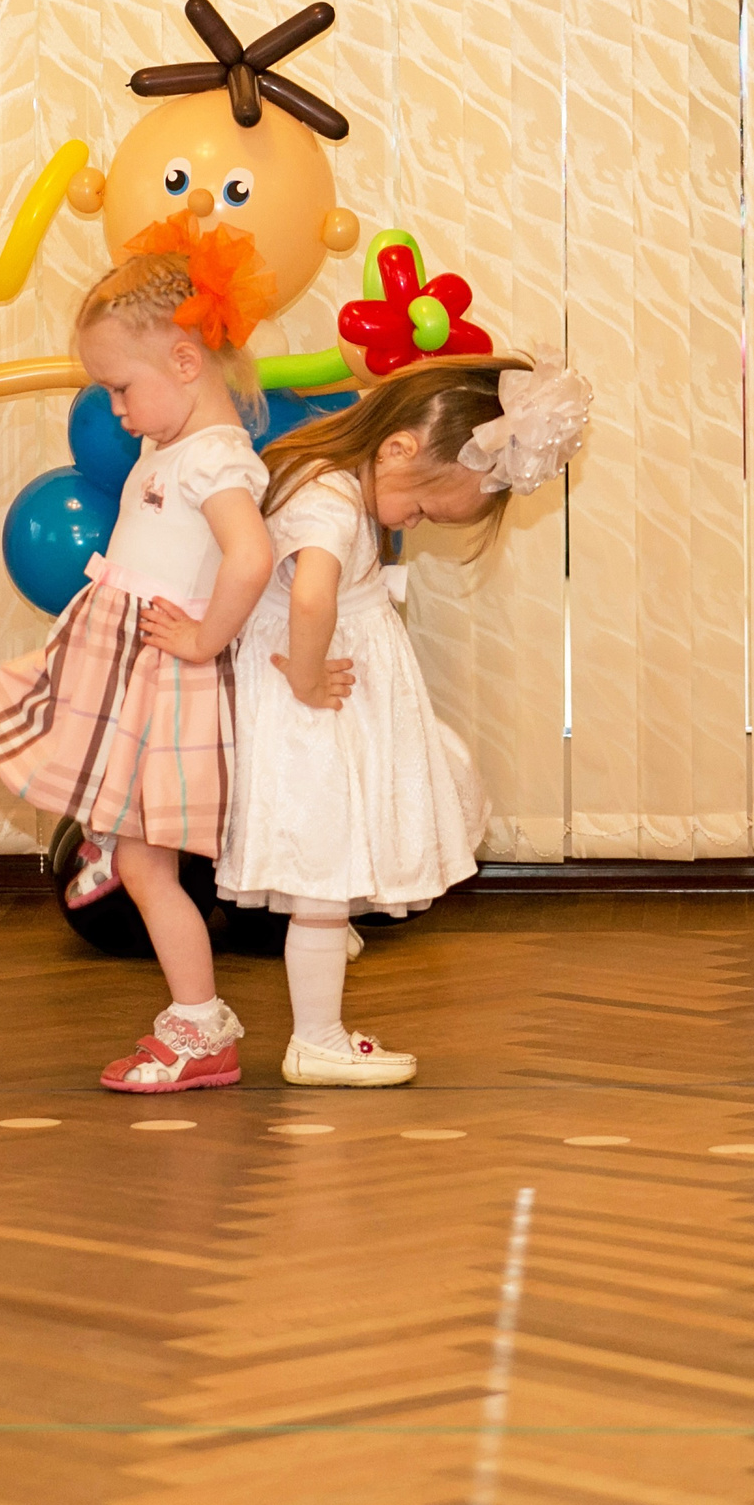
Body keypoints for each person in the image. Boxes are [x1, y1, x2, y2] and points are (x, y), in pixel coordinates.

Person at [0, 220, 276, 1094]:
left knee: (147, 864)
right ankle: (187, 1003)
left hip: (169, 675)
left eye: (120, 388)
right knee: (128, 841)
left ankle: (200, 1023)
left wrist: (208, 638)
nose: (115, 410)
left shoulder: (216, 457)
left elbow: (249, 559)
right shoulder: (165, 445)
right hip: (130, 667)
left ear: (183, 362)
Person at [214, 355, 584, 1085]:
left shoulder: (334, 483)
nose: (412, 523)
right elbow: (312, 597)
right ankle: (316, 1037)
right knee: (321, 877)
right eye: (419, 510)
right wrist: (313, 671)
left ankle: (320, 992)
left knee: (331, 868)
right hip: (312, 711)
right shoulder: (327, 497)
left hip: (325, 709)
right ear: (398, 448)